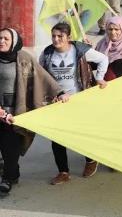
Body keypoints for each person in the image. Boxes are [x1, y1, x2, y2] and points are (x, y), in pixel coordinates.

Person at [0, 28, 69, 194]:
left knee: (11, 148)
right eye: (0, 38)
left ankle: (8, 178)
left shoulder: (23, 58)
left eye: (6, 39)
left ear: (14, 42)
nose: (1, 41)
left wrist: (59, 92)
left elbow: (42, 75)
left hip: (17, 111)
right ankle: (12, 172)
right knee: (4, 147)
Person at [39, 23, 109, 185]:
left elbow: (103, 59)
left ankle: (91, 160)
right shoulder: (48, 53)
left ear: (68, 38)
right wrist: (53, 94)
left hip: (79, 100)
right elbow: (41, 74)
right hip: (57, 102)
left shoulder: (80, 50)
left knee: (82, 133)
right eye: (53, 36)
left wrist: (99, 77)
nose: (56, 40)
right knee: (56, 138)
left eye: (60, 36)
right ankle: (63, 172)